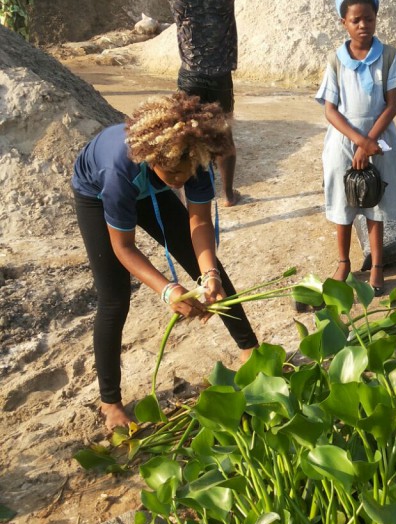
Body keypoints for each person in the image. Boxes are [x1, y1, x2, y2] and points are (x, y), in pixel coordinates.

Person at [72, 92, 258, 432]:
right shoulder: (120, 171)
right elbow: (123, 247)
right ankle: (110, 402)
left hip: (148, 184)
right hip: (97, 193)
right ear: (155, 156)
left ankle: (250, 350)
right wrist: (167, 290)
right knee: (114, 298)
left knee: (205, 264)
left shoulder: (191, 160)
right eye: (173, 172)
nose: (181, 180)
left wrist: (209, 273)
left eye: (187, 173)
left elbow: (199, 223)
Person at [126, 0, 261, 206]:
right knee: (223, 136)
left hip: (190, 77)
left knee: (186, 138)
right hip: (220, 77)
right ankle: (228, 195)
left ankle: (189, 196)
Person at [315, 0, 396, 295]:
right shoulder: (335, 60)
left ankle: (378, 264)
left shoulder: (389, 55)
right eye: (356, 20)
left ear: (376, 18)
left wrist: (369, 143)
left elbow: (391, 105)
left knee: (374, 202)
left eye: (368, 18)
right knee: (344, 203)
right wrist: (359, 143)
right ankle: (343, 262)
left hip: (379, 139)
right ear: (344, 23)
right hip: (343, 142)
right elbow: (330, 110)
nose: (363, 25)